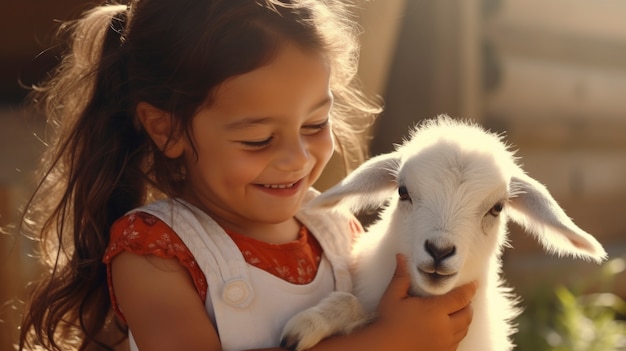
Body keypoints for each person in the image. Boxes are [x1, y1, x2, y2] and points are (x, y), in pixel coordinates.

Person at [18, 0, 477, 350]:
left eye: (315, 124)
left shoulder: (338, 233)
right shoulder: (153, 254)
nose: (296, 157)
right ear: (166, 128)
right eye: (258, 139)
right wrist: (386, 341)